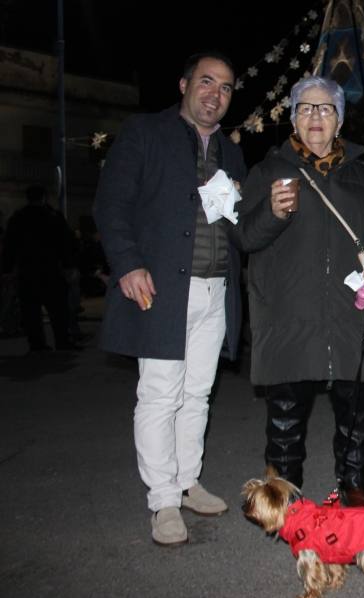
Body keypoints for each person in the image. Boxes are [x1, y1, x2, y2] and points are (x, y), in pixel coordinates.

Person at [93, 52, 247, 546]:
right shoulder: (145, 132)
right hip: (162, 289)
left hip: (215, 288)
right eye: (206, 82)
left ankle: (186, 480)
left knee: (197, 393)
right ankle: (162, 500)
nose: (214, 94)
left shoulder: (231, 151)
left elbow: (238, 224)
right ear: (183, 84)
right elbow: (111, 203)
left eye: (224, 88)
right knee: (160, 393)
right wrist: (128, 262)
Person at [231, 76, 364, 506]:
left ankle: (354, 489)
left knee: (356, 414)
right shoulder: (268, 172)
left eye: (325, 108)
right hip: (290, 313)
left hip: (349, 311)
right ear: (292, 119)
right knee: (286, 418)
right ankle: (285, 501)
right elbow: (245, 238)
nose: (316, 116)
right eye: (305, 108)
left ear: (339, 120)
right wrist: (270, 211)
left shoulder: (362, 176)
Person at [1, 185, 76, 352]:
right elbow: (65, 244)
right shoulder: (52, 216)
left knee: (31, 311)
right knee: (58, 309)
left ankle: (37, 344)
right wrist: (68, 266)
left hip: (27, 270)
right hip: (50, 269)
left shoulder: (18, 218)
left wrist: (7, 269)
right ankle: (62, 341)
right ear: (44, 197)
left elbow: (9, 246)